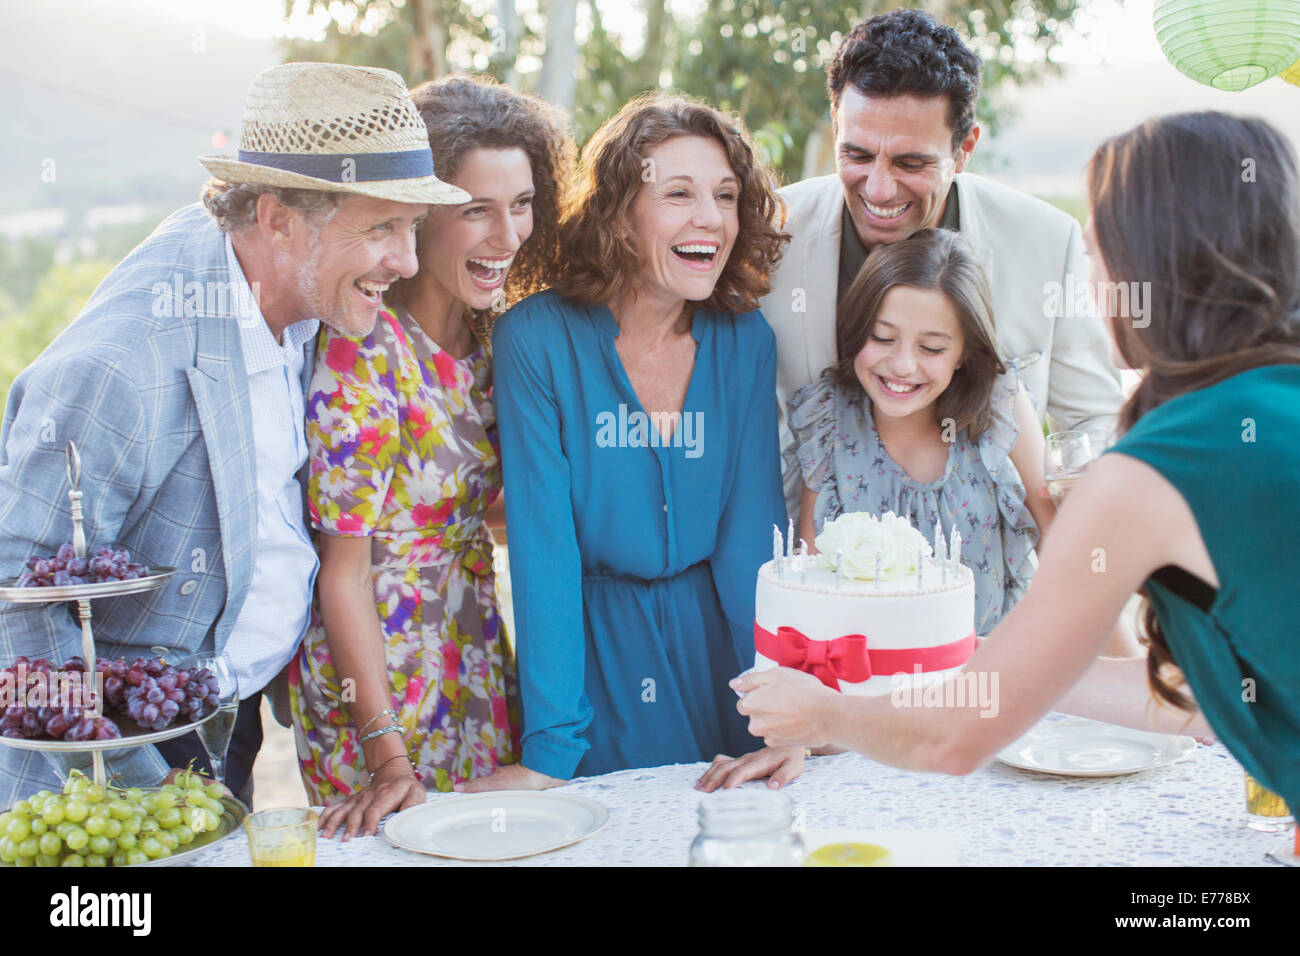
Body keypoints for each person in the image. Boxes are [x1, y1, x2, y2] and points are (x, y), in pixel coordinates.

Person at [732, 111, 1300, 816]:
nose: (1094, 284)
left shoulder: (1154, 468)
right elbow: (1195, 698)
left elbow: (955, 741)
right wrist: (970, 658)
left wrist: (822, 713)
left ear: (1152, 266)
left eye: (1099, 254)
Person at [0, 62, 467, 809]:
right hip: (137, 746)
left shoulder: (286, 270)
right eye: (381, 226)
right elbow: (16, 610)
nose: (406, 262)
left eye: (410, 227)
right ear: (278, 217)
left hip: (234, 709)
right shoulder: (122, 371)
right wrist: (134, 796)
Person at [460, 95, 789, 791]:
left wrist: (783, 717)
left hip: (720, 656)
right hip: (592, 666)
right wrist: (550, 752)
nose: (711, 217)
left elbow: (752, 546)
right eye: (678, 194)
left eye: (726, 196)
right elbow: (542, 550)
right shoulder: (536, 341)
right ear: (617, 213)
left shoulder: (747, 341)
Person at [291, 76, 574, 838]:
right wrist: (386, 757)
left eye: (521, 205)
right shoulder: (361, 352)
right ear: (419, 217)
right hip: (379, 671)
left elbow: (477, 508)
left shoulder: (495, 341)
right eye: (477, 210)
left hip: (474, 644)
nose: (508, 236)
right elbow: (340, 571)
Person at [760, 8, 1123, 520]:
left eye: (911, 163)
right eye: (857, 155)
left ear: (965, 148)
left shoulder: (1048, 242)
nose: (879, 189)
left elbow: (1093, 420)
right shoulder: (766, 234)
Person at [790, 228, 1047, 638]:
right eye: (882, 338)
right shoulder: (828, 419)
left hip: (991, 675)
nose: (903, 365)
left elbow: (1062, 550)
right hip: (870, 681)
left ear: (964, 353)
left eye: (931, 349)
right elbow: (809, 574)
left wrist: (1133, 671)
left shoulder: (1001, 408)